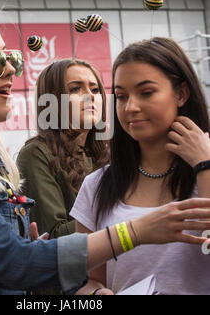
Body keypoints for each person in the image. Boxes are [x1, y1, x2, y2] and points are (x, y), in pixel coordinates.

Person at [0, 11, 210, 296]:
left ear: (182, 94)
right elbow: (21, 263)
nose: (12, 68)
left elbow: (19, 259)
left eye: (95, 89)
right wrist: (131, 231)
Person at [71, 37, 210, 295]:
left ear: (181, 93)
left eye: (146, 93)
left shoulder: (205, 170)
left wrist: (204, 165)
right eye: (121, 96)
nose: (130, 107)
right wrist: (97, 294)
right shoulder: (97, 185)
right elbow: (88, 280)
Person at [17, 59, 110, 240]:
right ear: (53, 99)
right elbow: (52, 235)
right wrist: (119, 215)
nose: (89, 95)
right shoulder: (36, 154)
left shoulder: (107, 151)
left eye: (95, 89)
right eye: (76, 89)